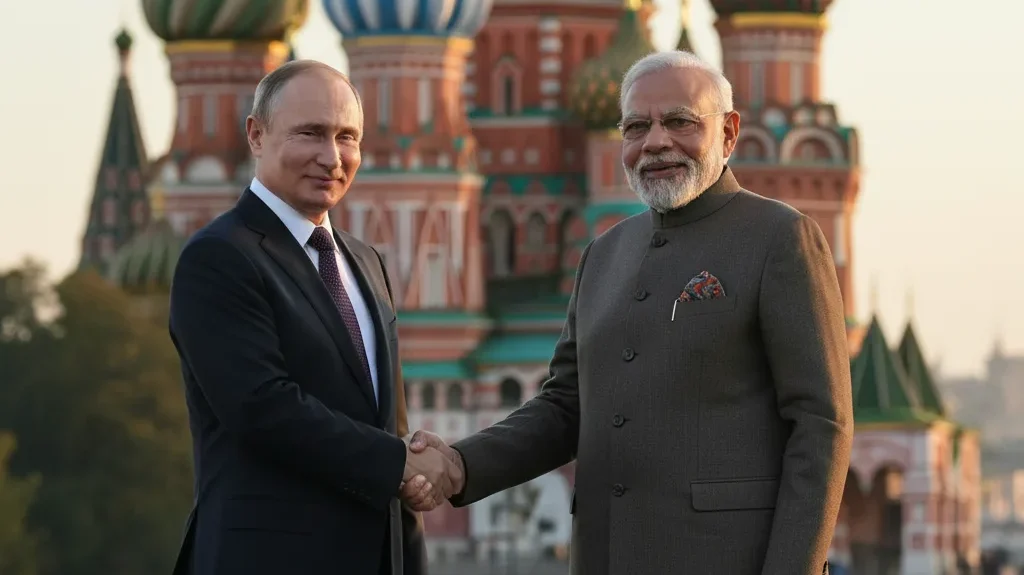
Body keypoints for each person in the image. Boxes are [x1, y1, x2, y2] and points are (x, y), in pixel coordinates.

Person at [408, 50, 854, 575]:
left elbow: (820, 424)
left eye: (680, 122)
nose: (656, 141)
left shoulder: (778, 238)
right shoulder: (605, 253)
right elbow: (565, 407)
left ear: (729, 133)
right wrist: (460, 465)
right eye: (637, 126)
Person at [168, 59, 460, 575]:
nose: (331, 157)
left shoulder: (364, 261)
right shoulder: (220, 256)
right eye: (311, 134)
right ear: (256, 135)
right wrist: (399, 464)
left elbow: (386, 421)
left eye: (348, 137)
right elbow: (261, 407)